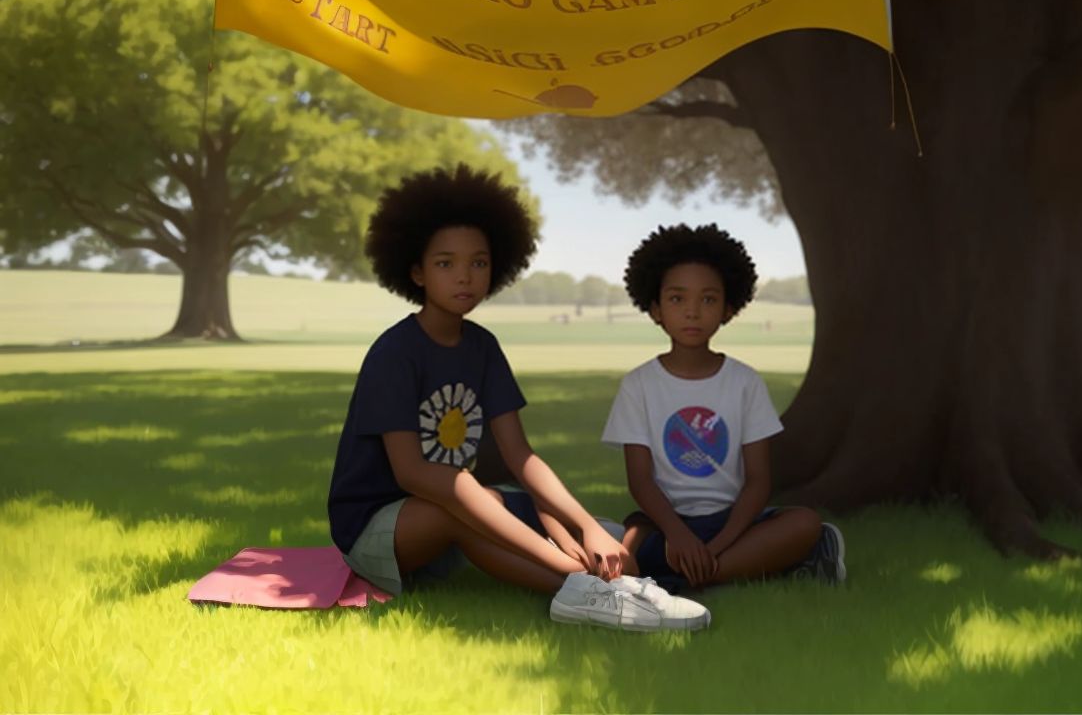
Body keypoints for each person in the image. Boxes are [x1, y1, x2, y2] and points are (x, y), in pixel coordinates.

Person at [327, 164, 711, 631]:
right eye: (446, 263)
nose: (464, 277)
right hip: (376, 531)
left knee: (519, 505)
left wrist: (582, 525)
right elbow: (414, 473)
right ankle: (582, 586)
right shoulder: (395, 352)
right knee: (464, 492)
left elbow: (520, 457)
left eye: (479, 263)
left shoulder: (482, 348)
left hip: (448, 512)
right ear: (416, 272)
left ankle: (596, 585)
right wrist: (561, 559)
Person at [602, 223, 846, 590]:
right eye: (677, 299)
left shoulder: (745, 382)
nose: (692, 312)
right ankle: (738, 569)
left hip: (733, 523)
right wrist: (680, 537)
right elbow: (640, 480)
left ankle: (685, 581)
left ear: (728, 309)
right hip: (665, 523)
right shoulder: (639, 385)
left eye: (708, 299)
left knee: (804, 523)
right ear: (654, 309)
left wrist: (718, 545)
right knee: (630, 540)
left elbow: (759, 480)